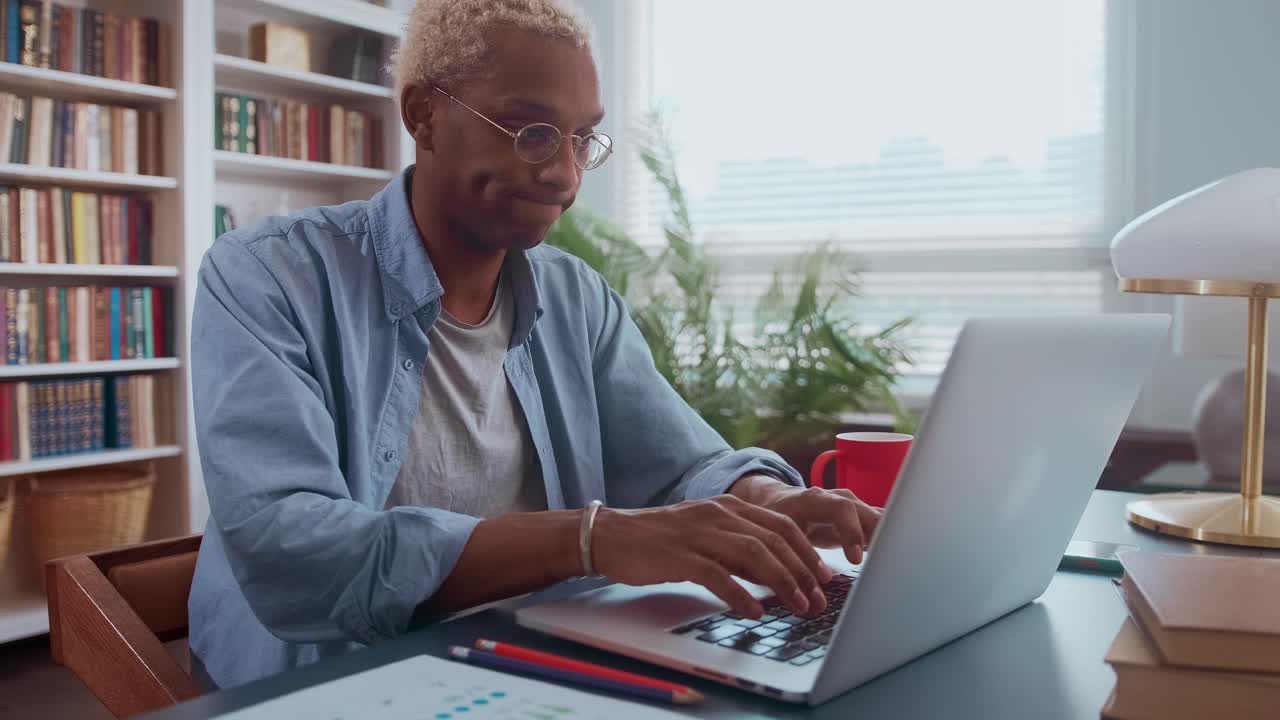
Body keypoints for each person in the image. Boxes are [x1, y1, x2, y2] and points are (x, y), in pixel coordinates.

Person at [187, 0, 881, 690]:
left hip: (532, 663)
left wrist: (764, 499)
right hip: (337, 681)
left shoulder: (575, 299)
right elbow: (292, 552)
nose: (565, 176)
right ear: (424, 115)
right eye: (530, 131)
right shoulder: (268, 277)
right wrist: (591, 539)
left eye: (582, 139)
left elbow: (680, 468)